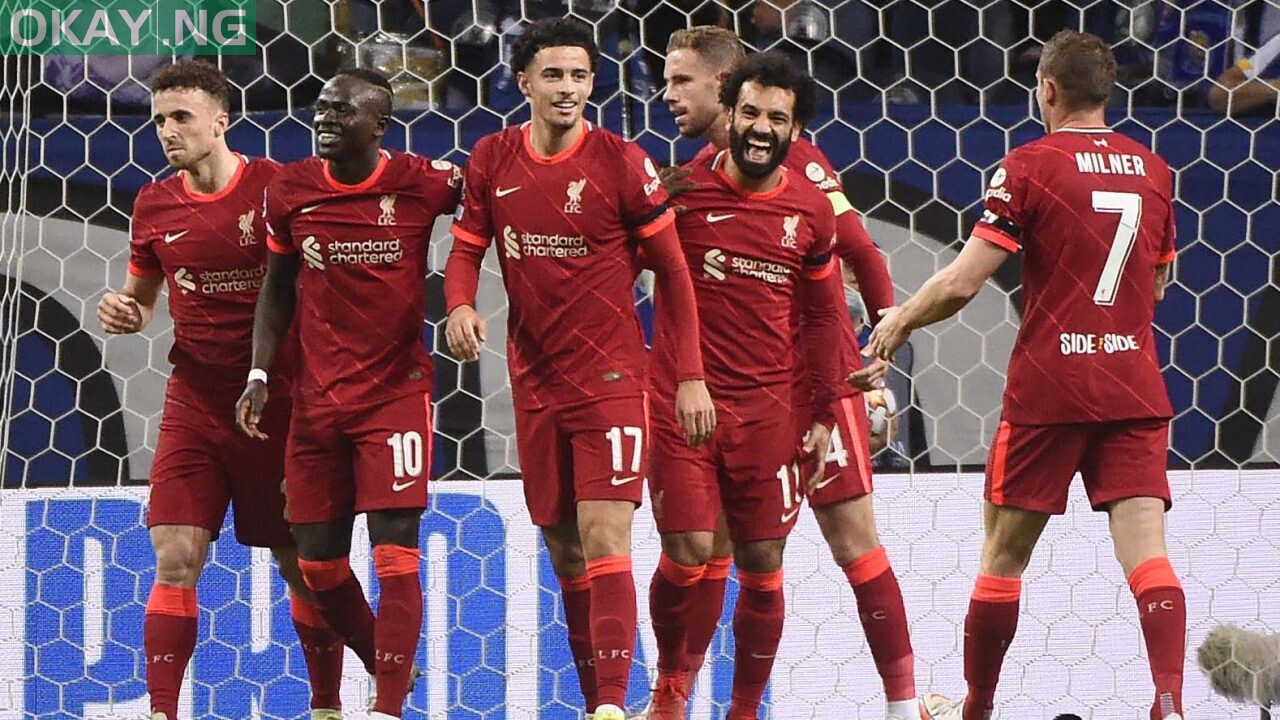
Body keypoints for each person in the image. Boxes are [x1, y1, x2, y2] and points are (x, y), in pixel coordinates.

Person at [864, 30, 1186, 720]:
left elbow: (961, 283)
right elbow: (1159, 280)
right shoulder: (1153, 170)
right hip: (1132, 383)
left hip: (1050, 387)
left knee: (1003, 555)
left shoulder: (1030, 165)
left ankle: (975, 710)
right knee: (1148, 556)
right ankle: (1170, 704)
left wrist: (898, 323)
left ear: (1047, 89)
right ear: (1108, 92)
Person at [440, 18, 714, 720]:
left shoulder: (622, 161)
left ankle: (614, 707)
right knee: (564, 550)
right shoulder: (493, 158)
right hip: (534, 380)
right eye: (554, 75)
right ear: (523, 80)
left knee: (603, 536)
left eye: (580, 76)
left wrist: (687, 375)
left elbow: (675, 276)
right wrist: (461, 305)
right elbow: (467, 248)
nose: (568, 89)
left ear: (594, 83)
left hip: (613, 379)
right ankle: (599, 701)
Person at [649, 27, 921, 720]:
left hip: (806, 385)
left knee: (850, 538)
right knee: (708, 549)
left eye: (682, 82)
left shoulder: (805, 171)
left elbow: (857, 251)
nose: (668, 94)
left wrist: (879, 347)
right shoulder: (688, 180)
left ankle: (905, 702)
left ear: (723, 84)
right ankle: (676, 694)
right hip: (727, 397)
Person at [96, 61, 349, 720]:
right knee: (176, 553)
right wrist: (125, 311)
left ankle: (327, 706)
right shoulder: (153, 204)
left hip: (280, 405)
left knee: (302, 567)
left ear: (220, 120)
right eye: (158, 120)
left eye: (181, 116)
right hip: (196, 402)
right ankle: (161, 713)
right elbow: (142, 297)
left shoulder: (278, 189)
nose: (167, 131)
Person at [235, 68, 463, 720]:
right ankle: (384, 659)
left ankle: (387, 708)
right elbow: (277, 288)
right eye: (321, 108)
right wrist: (257, 374)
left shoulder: (424, 180)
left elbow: (497, 197)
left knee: (395, 553)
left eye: (341, 111)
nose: (324, 118)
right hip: (316, 402)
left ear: (380, 125)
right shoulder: (291, 190)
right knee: (320, 568)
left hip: (396, 396)